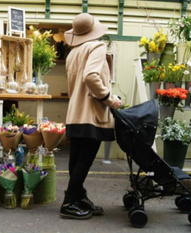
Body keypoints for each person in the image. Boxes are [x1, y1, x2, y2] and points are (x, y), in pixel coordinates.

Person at [60, 13, 122, 220]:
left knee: (76, 159)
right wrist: (109, 99)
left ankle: (78, 196)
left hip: (75, 112)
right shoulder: (96, 47)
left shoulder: (73, 52)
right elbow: (91, 76)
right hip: (92, 113)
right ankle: (69, 202)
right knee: (84, 161)